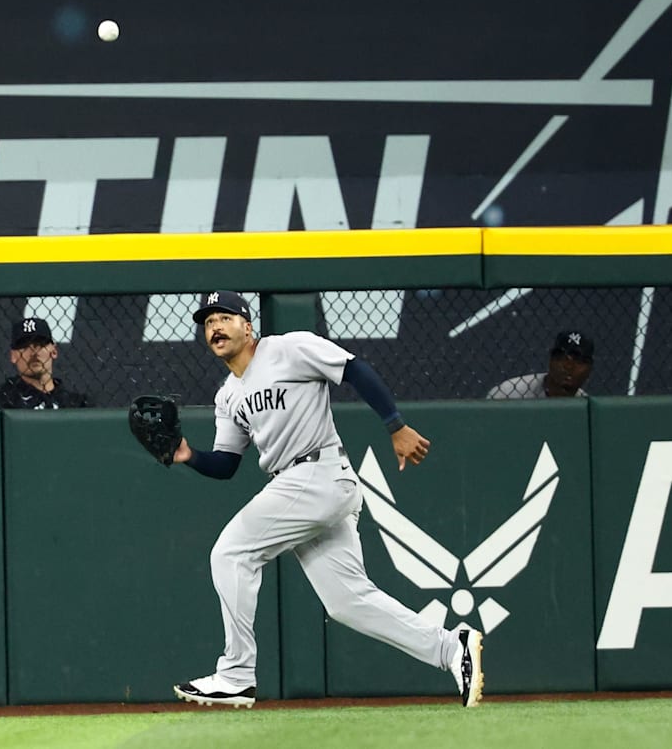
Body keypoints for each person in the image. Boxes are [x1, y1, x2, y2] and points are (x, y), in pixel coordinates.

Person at [167, 290, 483, 709]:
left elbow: (355, 369)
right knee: (347, 602)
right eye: (208, 323)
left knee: (230, 554)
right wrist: (187, 456)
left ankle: (237, 674)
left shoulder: (288, 348)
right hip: (302, 486)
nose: (215, 328)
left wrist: (395, 425)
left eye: (223, 318)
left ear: (247, 325)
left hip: (317, 471)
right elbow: (226, 463)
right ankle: (450, 647)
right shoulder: (227, 395)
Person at [0, 318, 91, 410]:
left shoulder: (77, 404)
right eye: (25, 346)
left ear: (54, 351)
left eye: (40, 344)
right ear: (13, 355)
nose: (33, 353)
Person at [486, 330, 594, 399]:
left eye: (578, 360)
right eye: (560, 357)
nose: (568, 366)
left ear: (589, 369)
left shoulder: (585, 409)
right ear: (550, 361)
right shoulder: (508, 393)